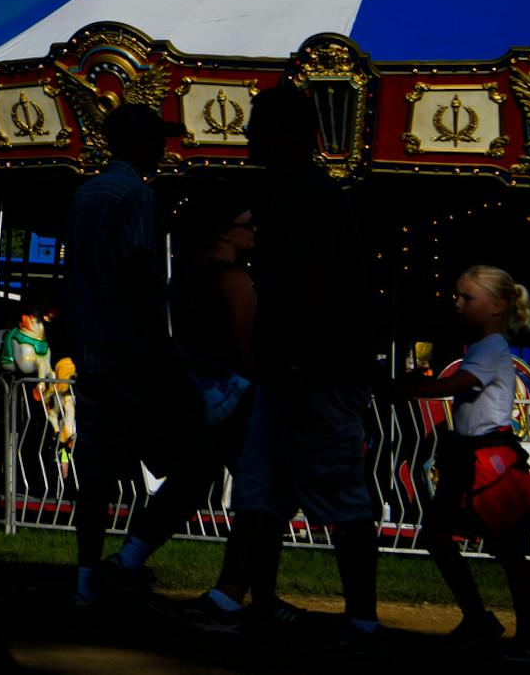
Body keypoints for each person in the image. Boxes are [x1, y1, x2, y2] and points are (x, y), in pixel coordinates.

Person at [233, 86, 384, 649]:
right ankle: (263, 601)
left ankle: (363, 621)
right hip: (297, 370)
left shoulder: (302, 197)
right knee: (262, 491)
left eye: (257, 124)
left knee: (337, 495)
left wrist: (294, 364)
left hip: (311, 372)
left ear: (286, 132)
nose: (248, 134)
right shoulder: (298, 193)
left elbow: (308, 290)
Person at [61, 102, 215, 608]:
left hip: (93, 353)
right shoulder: (139, 196)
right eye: (158, 139)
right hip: (133, 354)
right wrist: (165, 353)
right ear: (141, 144)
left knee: (97, 475)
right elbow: (141, 276)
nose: (165, 148)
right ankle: (129, 558)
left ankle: (86, 577)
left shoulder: (85, 195)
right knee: (197, 456)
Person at [397, 265, 530, 662]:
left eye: (467, 298)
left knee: (509, 553)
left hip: (489, 462)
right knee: (444, 539)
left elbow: (455, 386)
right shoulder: (484, 347)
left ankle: (528, 639)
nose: (458, 303)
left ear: (496, 307)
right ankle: (482, 621)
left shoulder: (491, 348)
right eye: (458, 296)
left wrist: (406, 389)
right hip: (472, 459)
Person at [169, 188, 259, 633]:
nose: (254, 230)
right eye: (247, 223)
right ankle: (232, 592)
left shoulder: (186, 273)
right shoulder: (233, 280)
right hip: (235, 395)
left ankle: (127, 559)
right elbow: (245, 347)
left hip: (197, 392)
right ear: (226, 231)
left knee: (192, 479)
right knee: (258, 496)